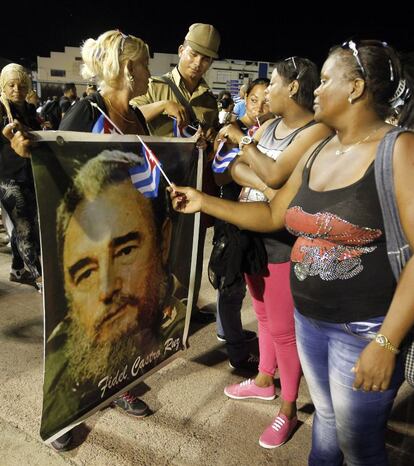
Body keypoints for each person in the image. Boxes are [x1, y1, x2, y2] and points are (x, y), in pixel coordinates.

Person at [169, 40, 414, 464]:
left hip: (363, 331)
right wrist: (202, 202)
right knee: (324, 425)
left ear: (355, 88)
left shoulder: (399, 149)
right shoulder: (319, 150)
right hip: (310, 322)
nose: (314, 91)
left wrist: (386, 343)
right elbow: (271, 214)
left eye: (323, 82)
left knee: (359, 446)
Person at [216, 57, 331, 449]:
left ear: (293, 87)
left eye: (275, 85)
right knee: (261, 313)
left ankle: (288, 410)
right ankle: (265, 380)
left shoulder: (315, 131)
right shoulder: (269, 127)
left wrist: (252, 155)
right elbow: (238, 171)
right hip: (251, 234)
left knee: (284, 329)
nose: (267, 94)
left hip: (283, 240)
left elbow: (277, 173)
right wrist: (267, 187)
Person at [41, 150, 186, 442]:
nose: (106, 289)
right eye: (85, 272)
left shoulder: (173, 319)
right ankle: (68, 419)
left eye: (125, 251)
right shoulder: (60, 352)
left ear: (163, 241)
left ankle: (119, 388)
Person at [132, 23, 221, 322]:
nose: (198, 63)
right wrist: (161, 105)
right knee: (156, 249)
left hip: (192, 183)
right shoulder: (155, 85)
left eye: (206, 59)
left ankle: (187, 307)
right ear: (181, 51)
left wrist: (209, 141)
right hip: (157, 183)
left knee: (191, 248)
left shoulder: (209, 99)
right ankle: (151, 312)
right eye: (194, 54)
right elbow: (128, 121)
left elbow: (209, 142)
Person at [211, 78, 270, 372]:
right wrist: (247, 148)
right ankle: (236, 352)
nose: (260, 107)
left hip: (260, 219)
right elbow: (220, 177)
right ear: (245, 98)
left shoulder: (274, 131)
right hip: (233, 217)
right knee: (231, 285)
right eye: (255, 100)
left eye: (267, 101)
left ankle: (229, 331)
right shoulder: (232, 131)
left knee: (251, 286)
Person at [0, 63, 42, 290]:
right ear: (3, 87)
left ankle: (18, 270)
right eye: (11, 85)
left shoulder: (29, 109)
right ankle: (39, 276)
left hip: (28, 174)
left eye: (21, 84)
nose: (17, 89)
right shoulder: (0, 109)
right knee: (25, 227)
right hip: (7, 177)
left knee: (26, 225)